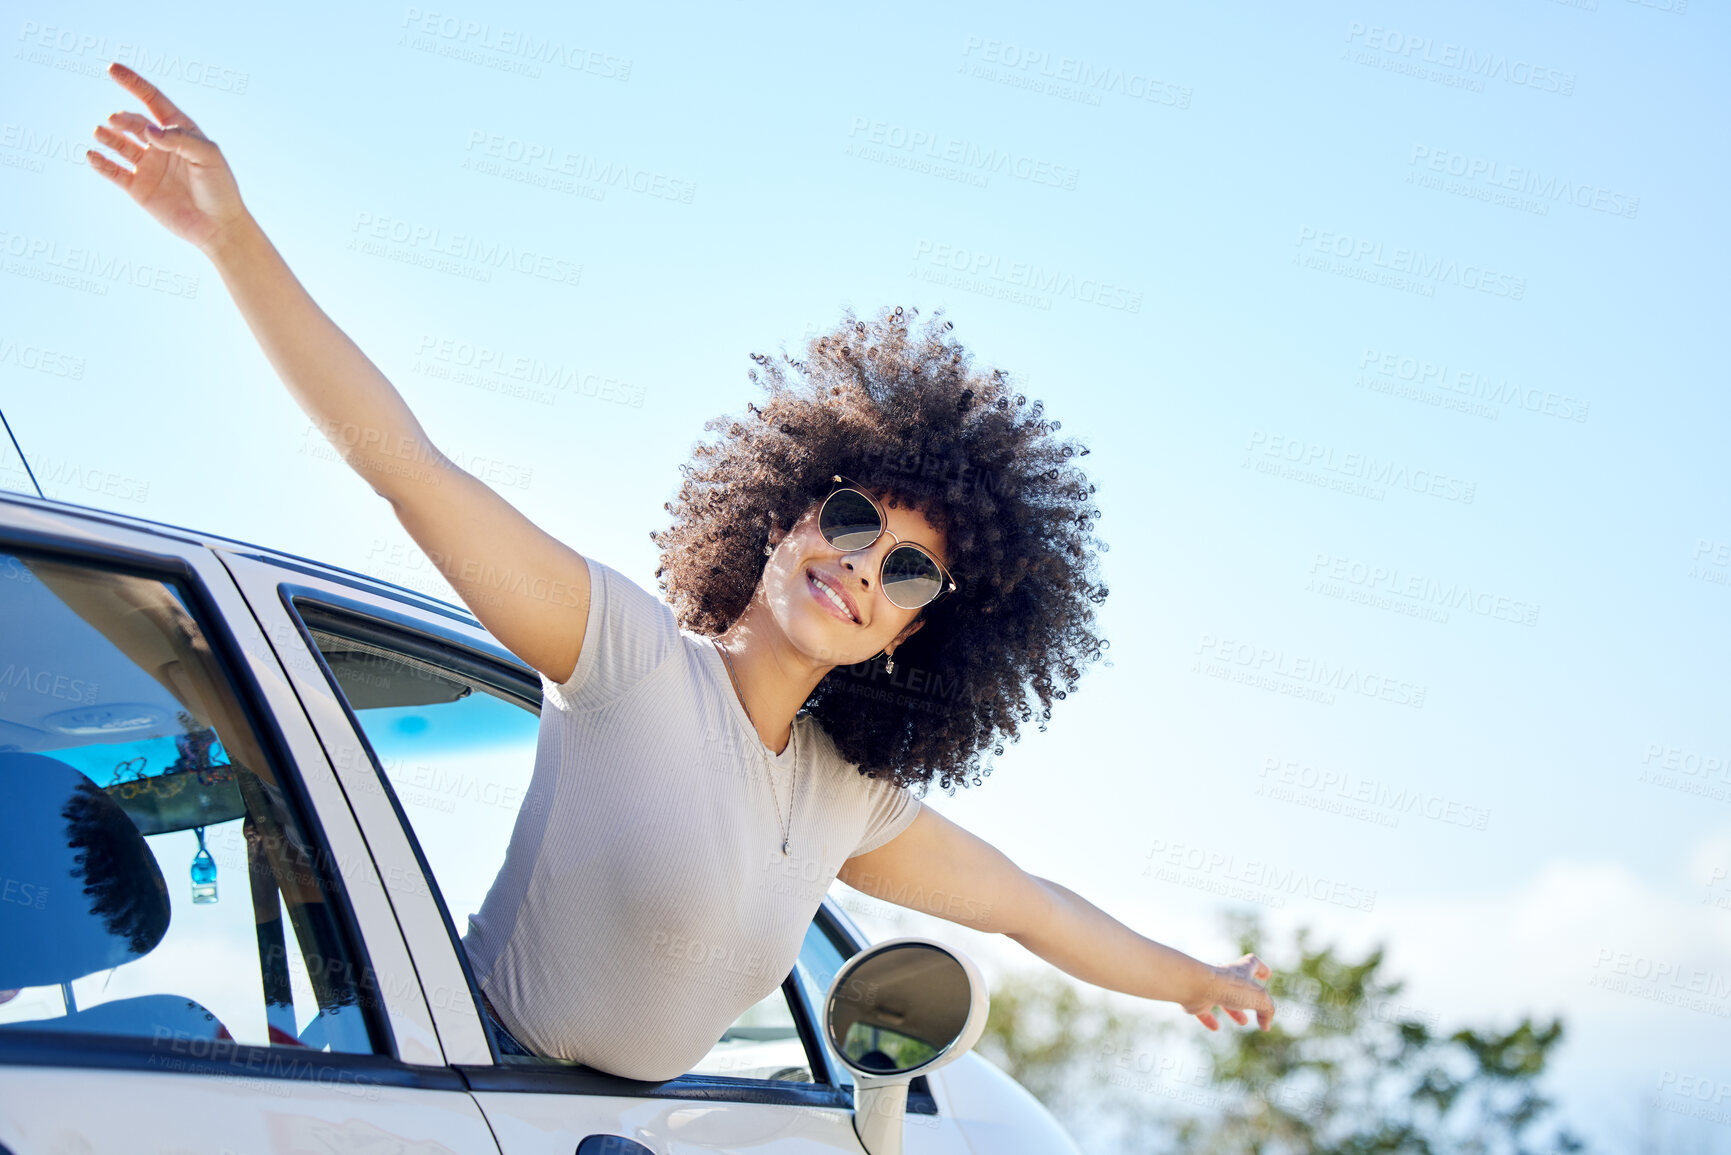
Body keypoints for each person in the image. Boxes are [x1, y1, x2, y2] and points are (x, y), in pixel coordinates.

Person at [86, 62, 1276, 1080]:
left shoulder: (845, 799)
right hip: (459, 1085)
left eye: (909, 571)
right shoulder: (625, 655)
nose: (865, 568)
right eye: (851, 519)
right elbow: (410, 468)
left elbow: (1030, 904)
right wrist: (232, 239)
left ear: (913, 635)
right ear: (779, 518)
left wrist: (1191, 979)